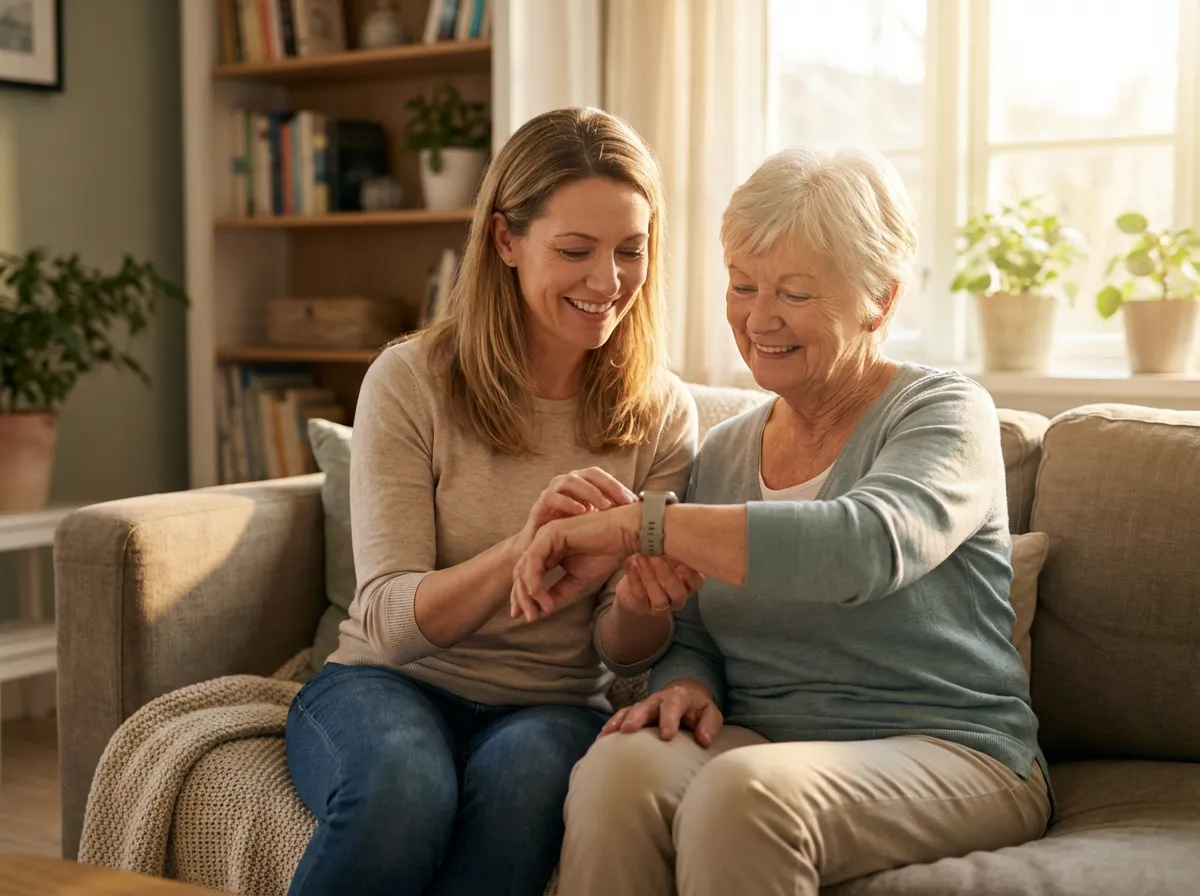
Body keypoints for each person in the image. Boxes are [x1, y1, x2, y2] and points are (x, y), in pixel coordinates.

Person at [510, 147, 1053, 896]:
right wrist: (686, 677)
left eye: (795, 294)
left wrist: (640, 525)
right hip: (762, 736)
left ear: (881, 301)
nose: (759, 318)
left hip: (949, 746)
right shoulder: (729, 445)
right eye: (742, 285)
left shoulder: (944, 413)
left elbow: (864, 546)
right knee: (616, 771)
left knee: (745, 793)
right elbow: (694, 627)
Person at [284, 107, 702, 896]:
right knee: (406, 787)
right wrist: (524, 547)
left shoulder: (661, 413)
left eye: (631, 251)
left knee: (525, 788)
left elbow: (624, 652)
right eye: (575, 250)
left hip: (550, 706)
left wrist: (644, 598)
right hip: (387, 683)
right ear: (506, 241)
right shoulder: (411, 381)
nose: (607, 282)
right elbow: (387, 621)